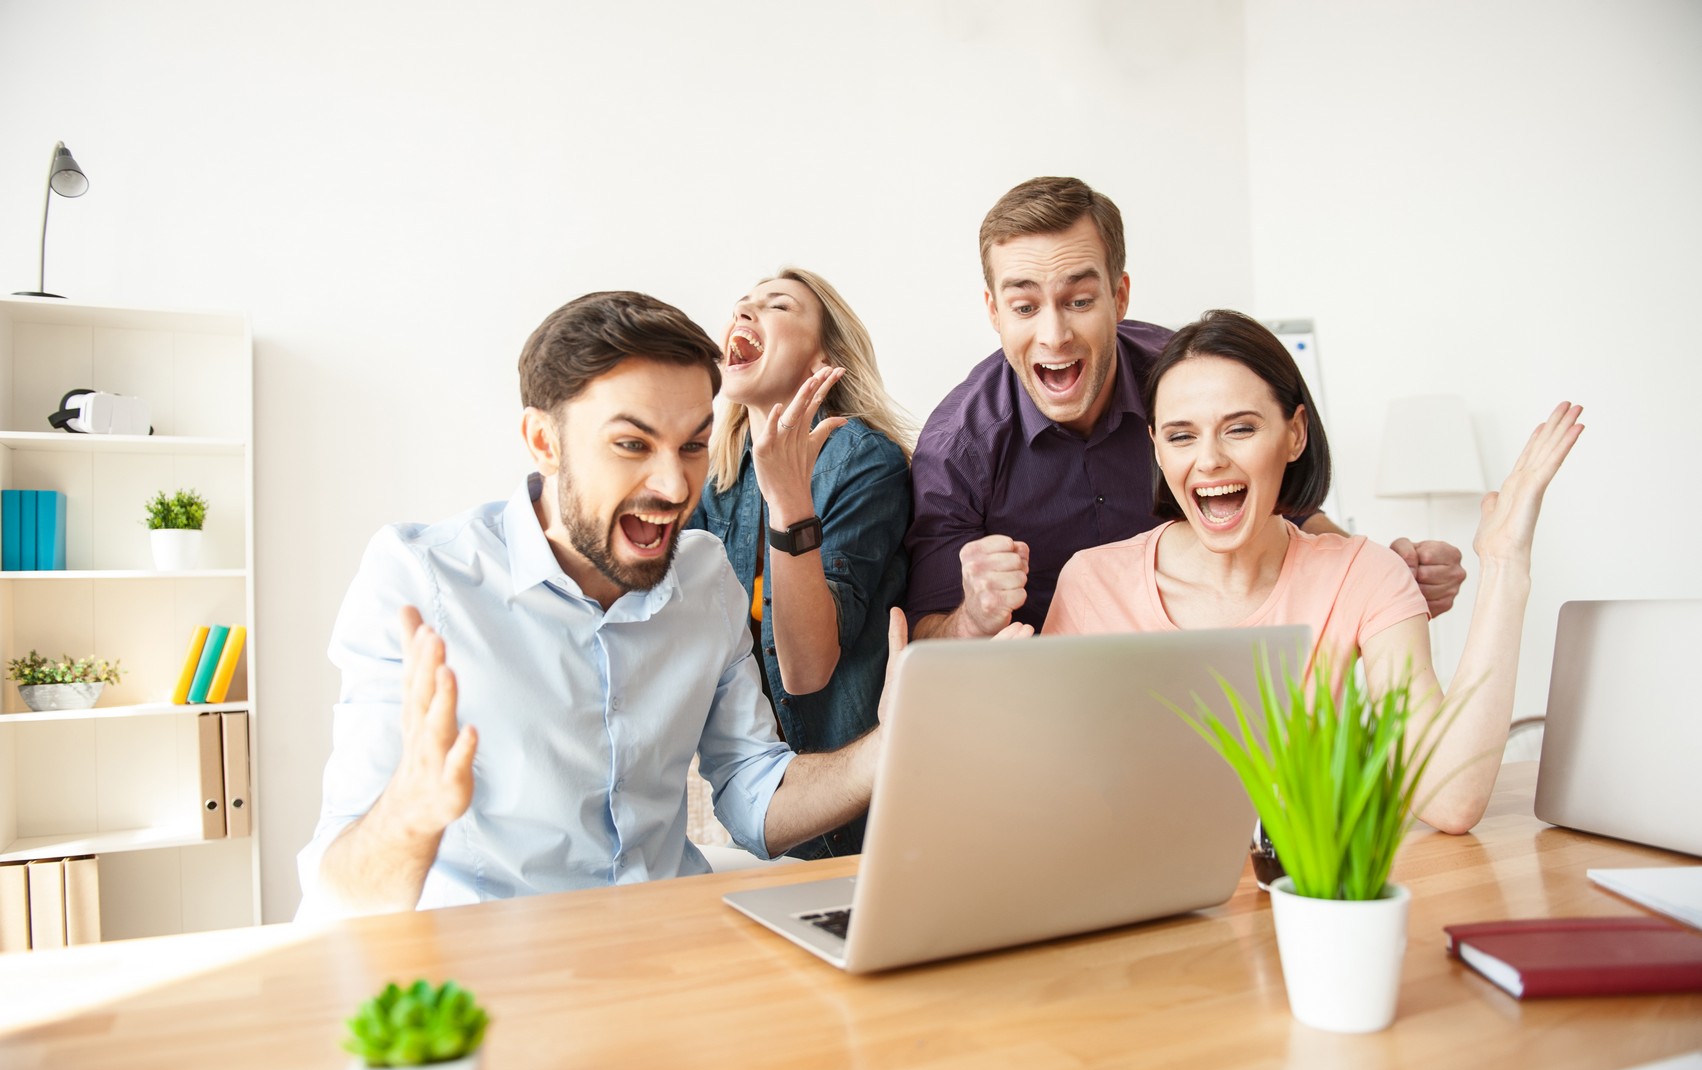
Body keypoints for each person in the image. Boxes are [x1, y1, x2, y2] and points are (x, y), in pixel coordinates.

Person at [297, 291, 892, 917]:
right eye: (632, 445)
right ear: (542, 441)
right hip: (494, 966)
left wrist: (886, 750)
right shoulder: (421, 580)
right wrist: (409, 816)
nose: (672, 486)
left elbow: (751, 788)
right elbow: (339, 891)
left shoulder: (705, 575)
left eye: (693, 445)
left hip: (665, 947)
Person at [1044, 309, 1583, 834]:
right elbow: (1052, 801)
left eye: (1240, 429)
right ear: (1157, 448)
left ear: (1295, 434)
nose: (1208, 460)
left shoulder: (1363, 575)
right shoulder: (1092, 584)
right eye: (1182, 435)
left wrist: (1504, 564)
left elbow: (1450, 800)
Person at [904, 176, 1466, 639]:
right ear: (993, 311)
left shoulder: (1186, 379)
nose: (1054, 335)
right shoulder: (959, 446)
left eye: (1079, 301)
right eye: (1025, 306)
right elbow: (923, 642)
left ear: (1120, 296)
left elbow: (1285, 512)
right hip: (1040, 702)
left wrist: (1384, 580)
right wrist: (971, 620)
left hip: (1209, 670)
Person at [688, 268, 912, 858]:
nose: (745, 313)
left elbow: (806, 669)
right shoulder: (718, 482)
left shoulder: (863, 460)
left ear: (823, 361)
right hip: (770, 806)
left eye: (777, 305)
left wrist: (791, 502)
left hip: (855, 816)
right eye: (740, 306)